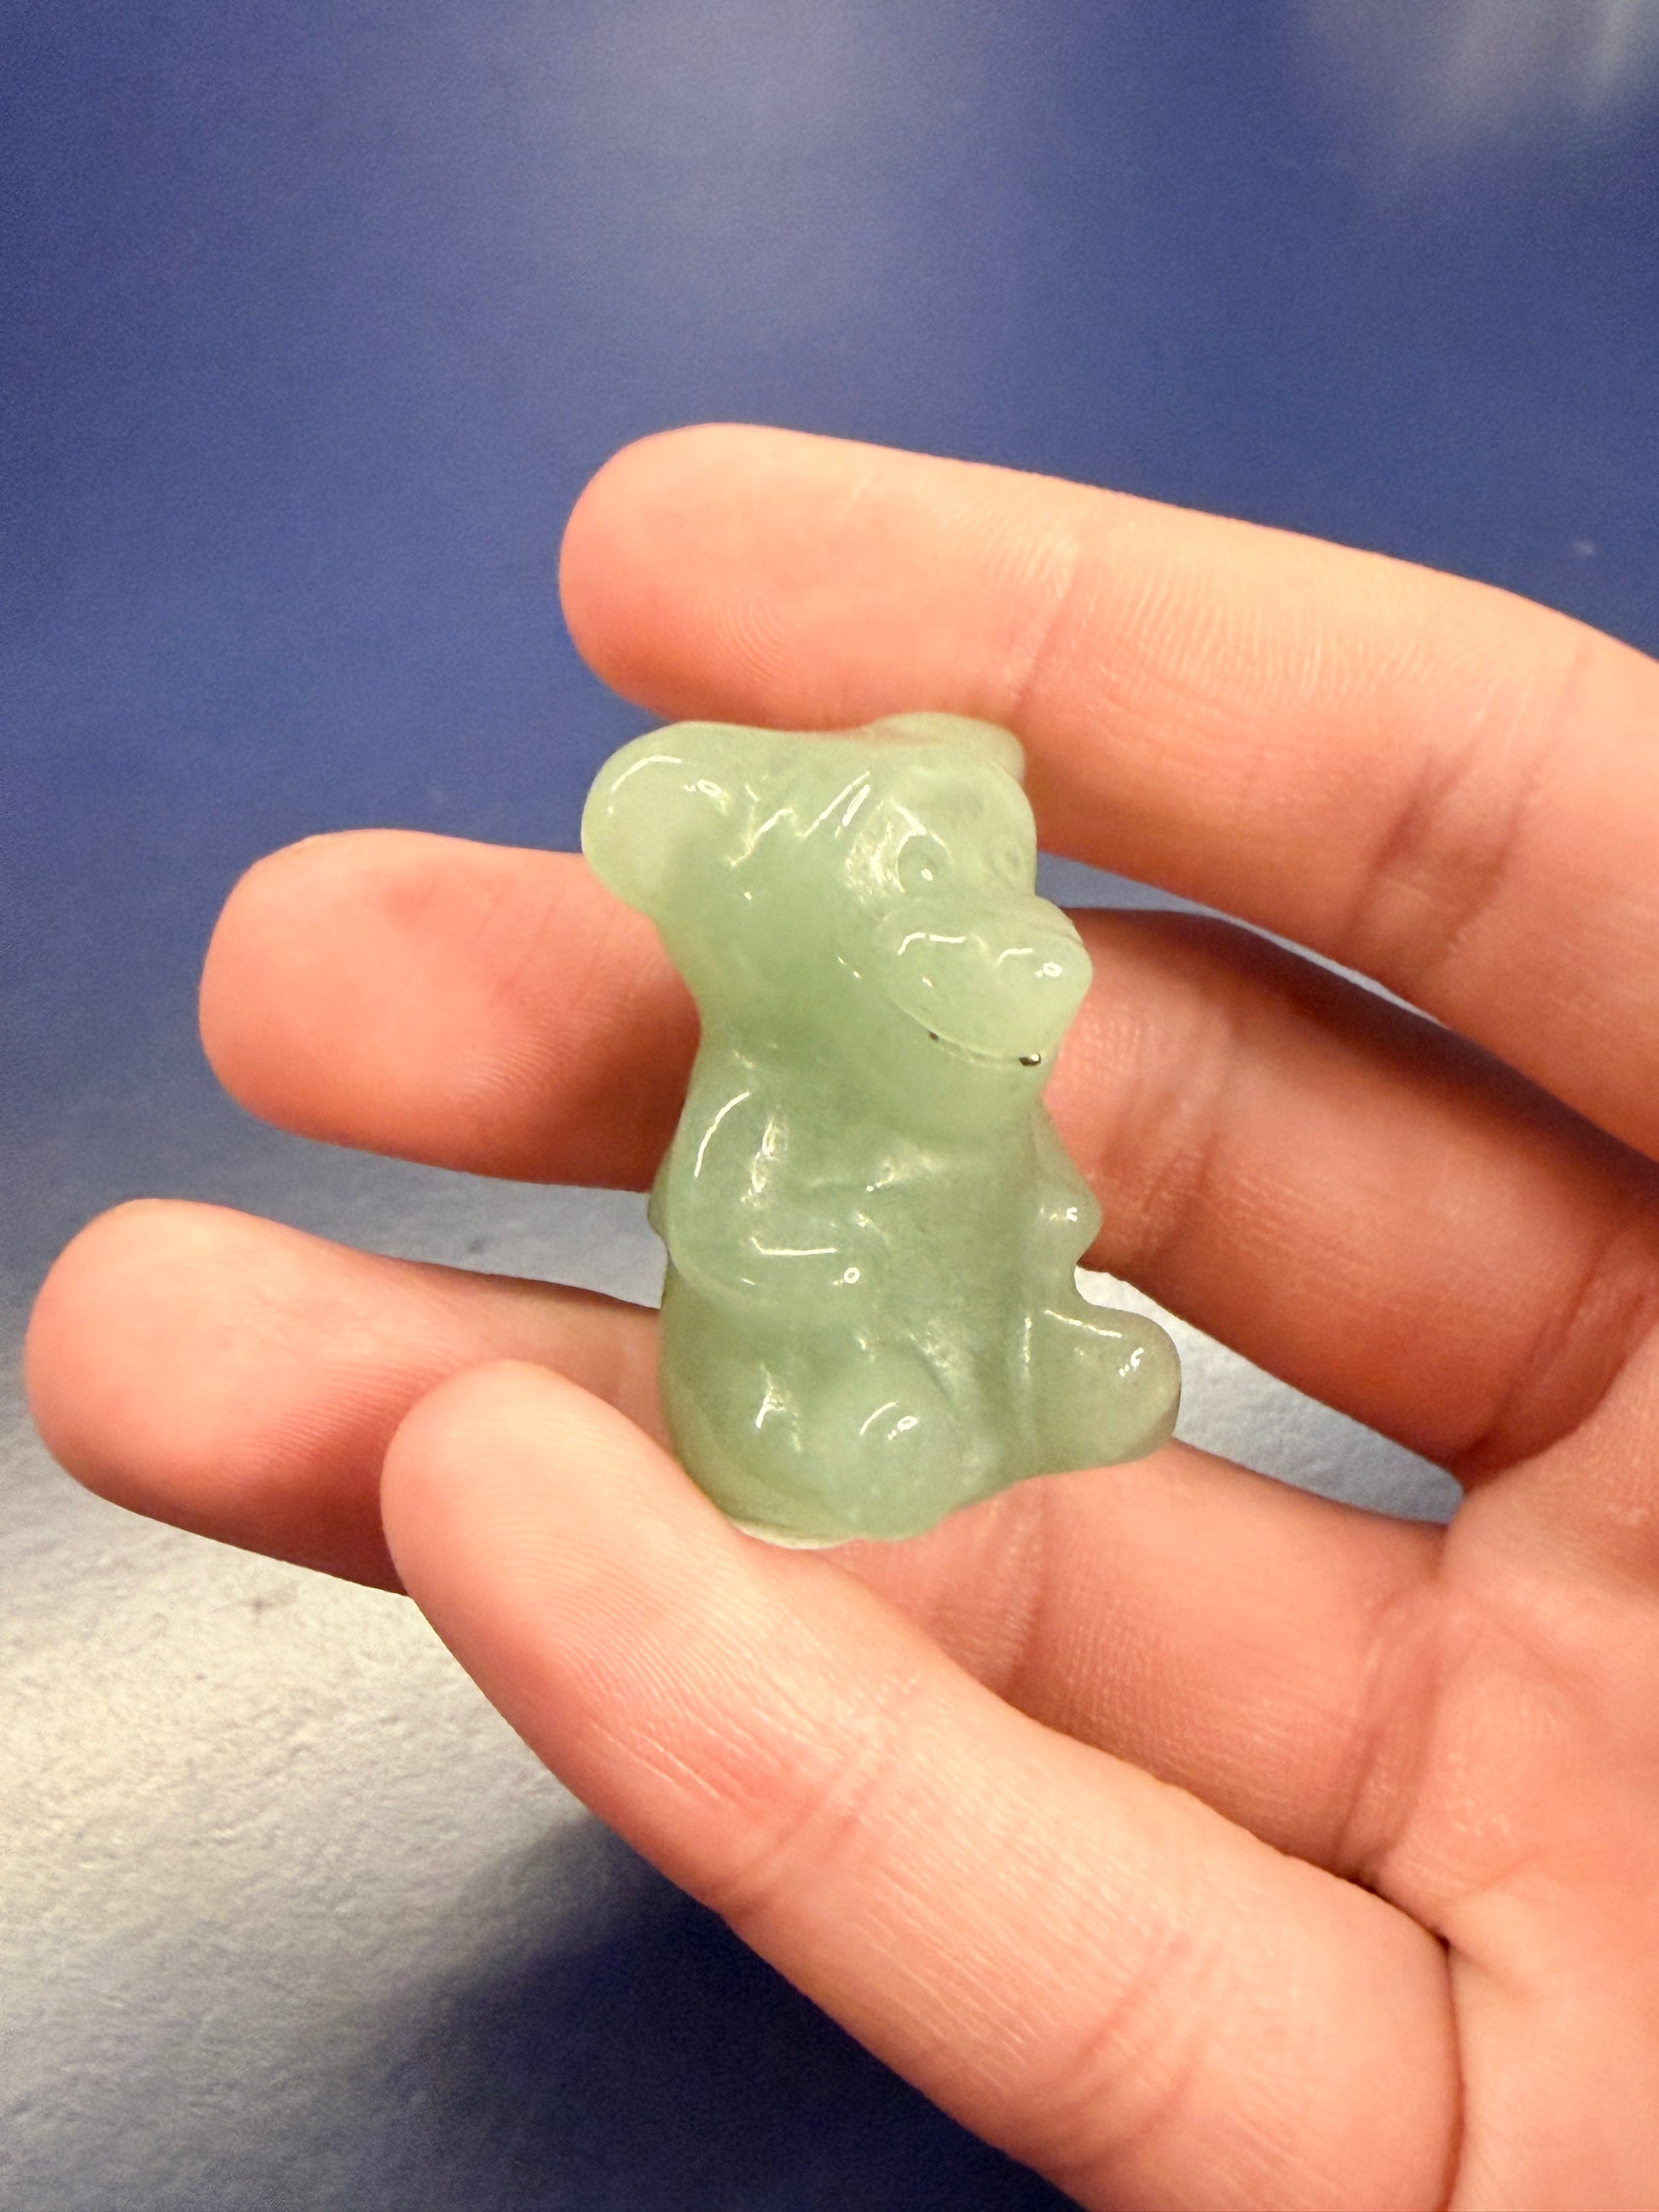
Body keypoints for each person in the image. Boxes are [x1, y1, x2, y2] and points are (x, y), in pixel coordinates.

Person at [25, 424, 1659, 2209]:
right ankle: (920, 1408)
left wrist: (1024, 1228)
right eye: (910, 923)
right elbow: (730, 1226)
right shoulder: (771, 1101)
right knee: (844, 1407)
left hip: (979, 1313)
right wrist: (829, 1257)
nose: (993, 959)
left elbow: (1029, 1190)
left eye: (976, 903)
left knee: (1044, 1341)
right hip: (838, 1353)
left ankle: (1024, 1381)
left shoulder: (977, 1085)